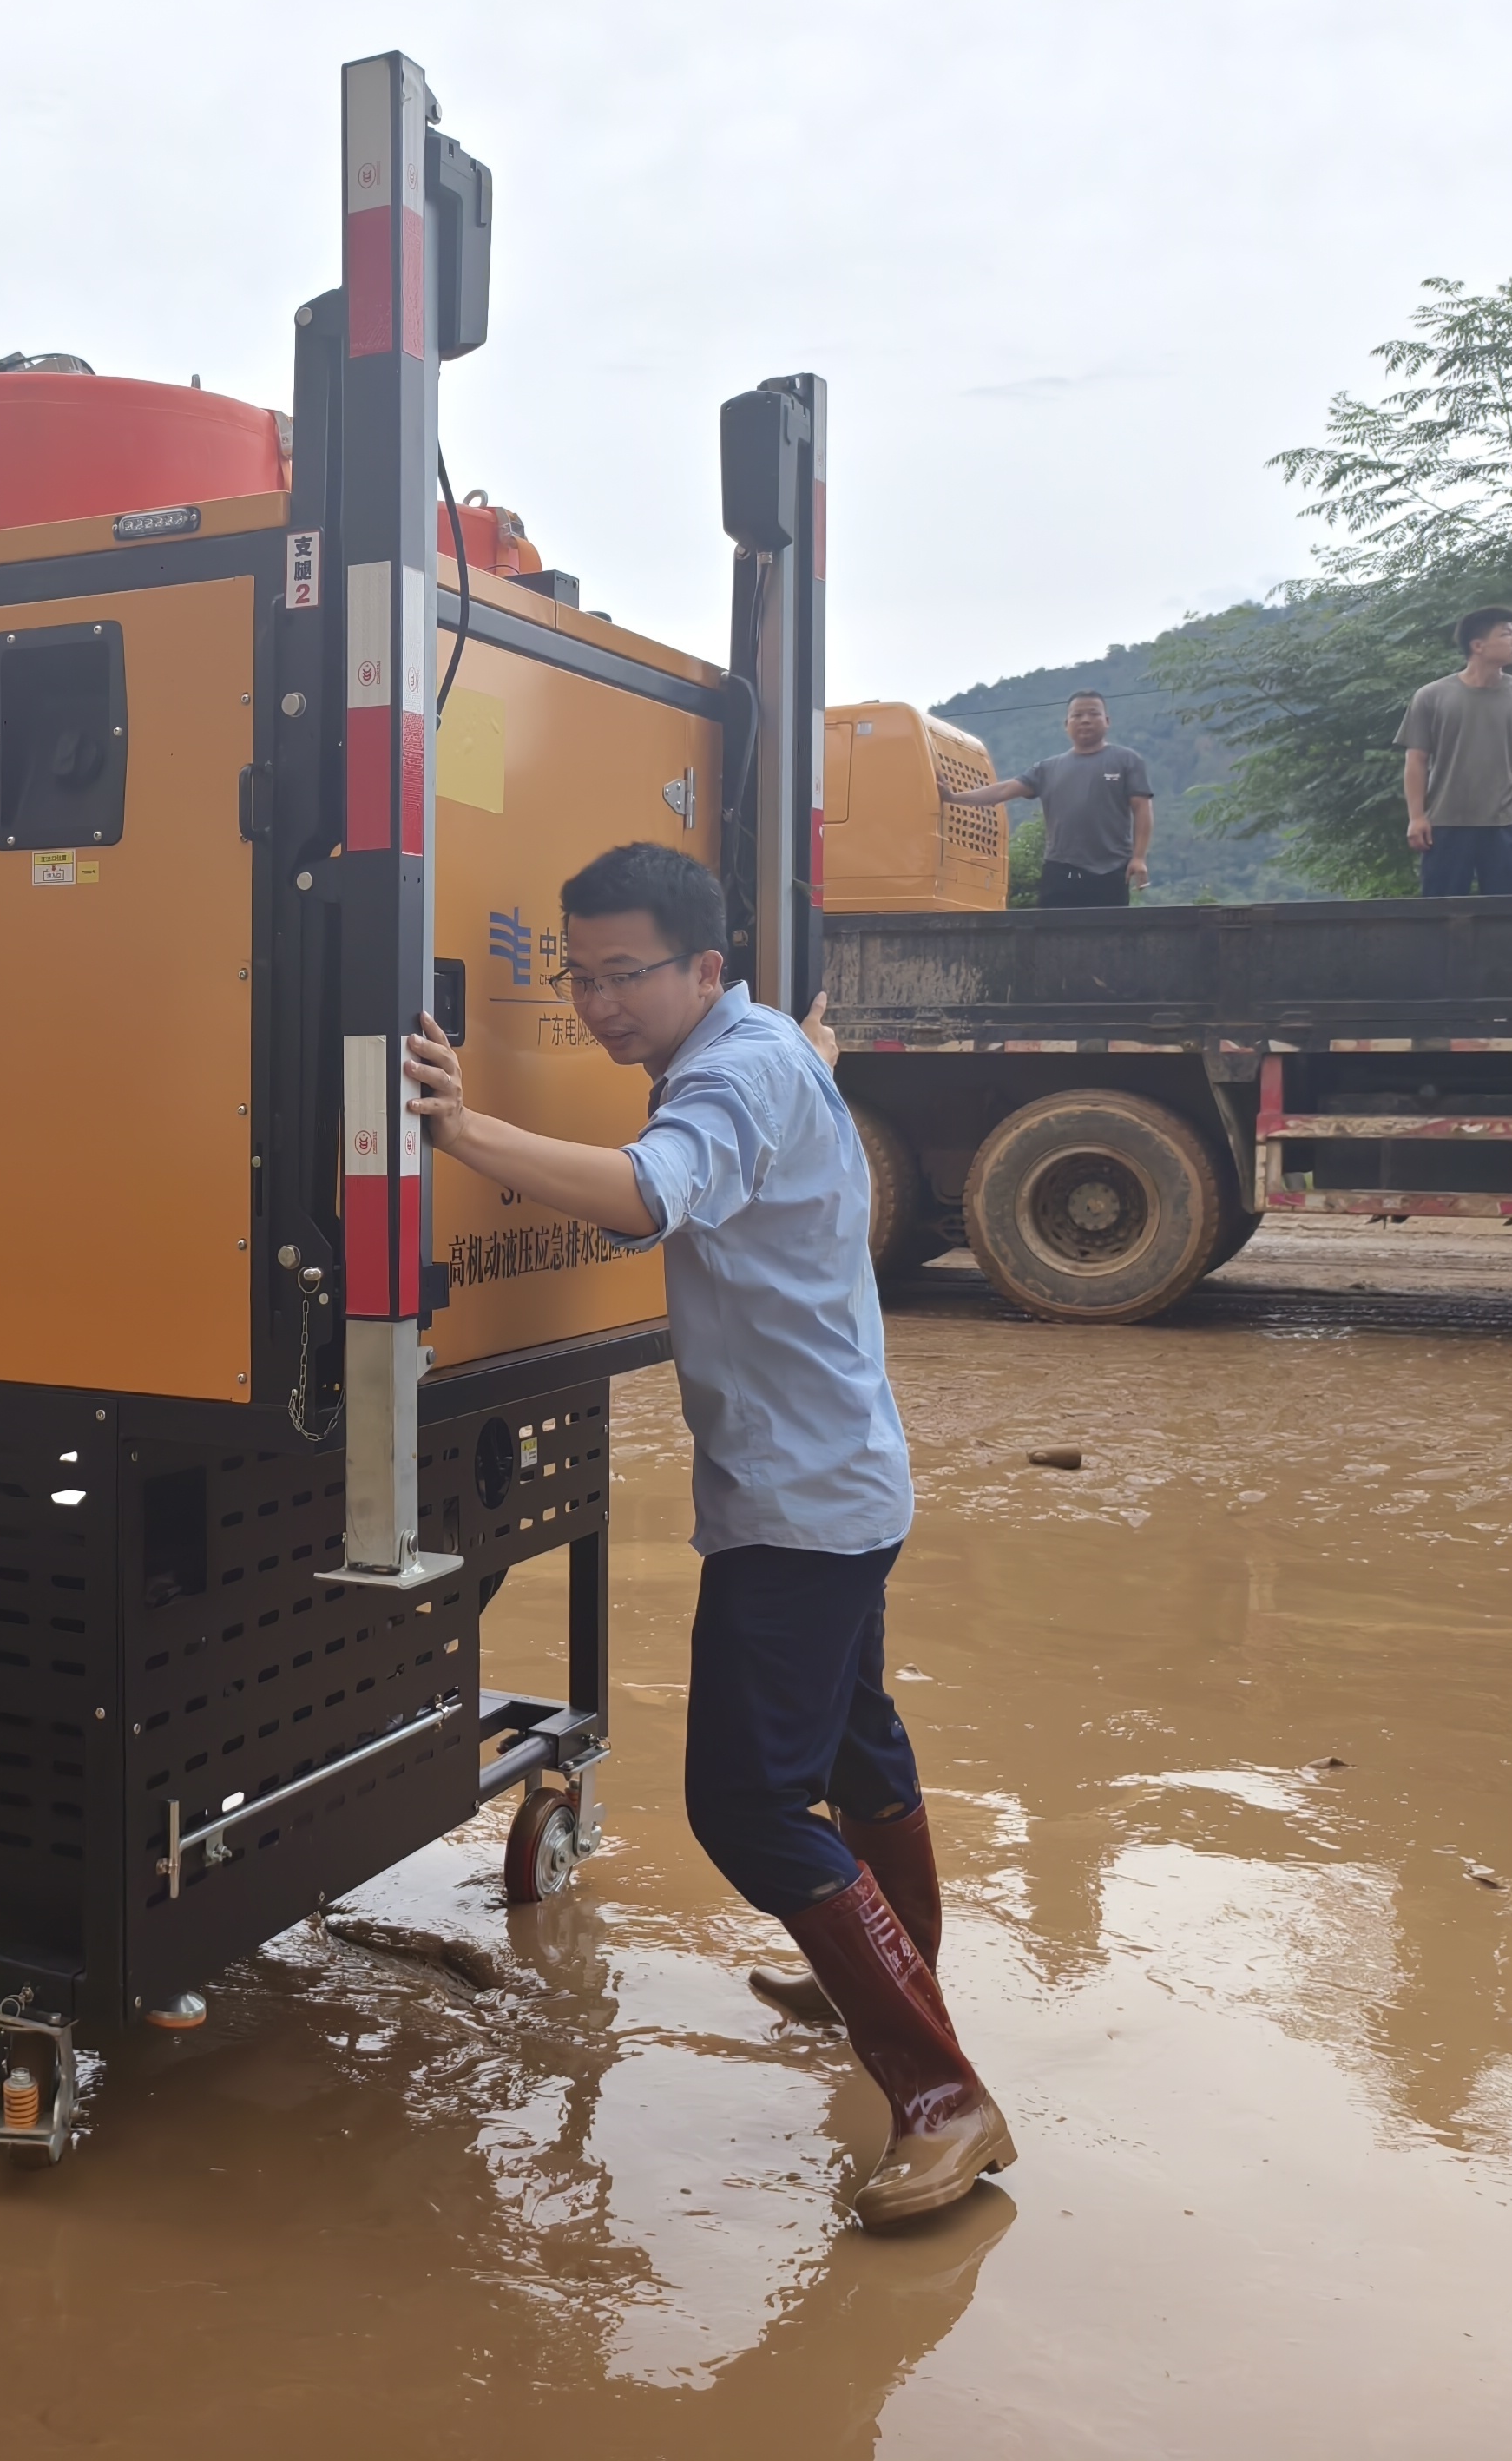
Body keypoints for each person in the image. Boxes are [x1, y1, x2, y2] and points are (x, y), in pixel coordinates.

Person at [400, 840, 1015, 2228]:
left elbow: (648, 1193)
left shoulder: (734, 1072)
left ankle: (941, 2096)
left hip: (798, 1508)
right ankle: (894, 1968)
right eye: (582, 975)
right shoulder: (759, 1050)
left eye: (628, 975)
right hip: (844, 1481)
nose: (602, 1004)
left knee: (744, 1806)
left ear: (706, 971)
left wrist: (454, 1129)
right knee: (859, 1746)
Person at [1399, 609, 1512, 898]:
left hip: (1507, 825)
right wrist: (1416, 817)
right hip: (1446, 824)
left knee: (1507, 917)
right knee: (1441, 915)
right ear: (1478, 646)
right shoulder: (1431, 696)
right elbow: (1416, 760)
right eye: (1506, 634)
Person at [941, 689, 1152, 906]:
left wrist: (1138, 858)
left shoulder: (1127, 761)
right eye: (1077, 715)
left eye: (1093, 714)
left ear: (1107, 721)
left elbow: (1142, 808)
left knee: (1107, 937)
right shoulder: (1047, 768)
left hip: (1111, 870)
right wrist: (953, 797)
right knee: (1053, 937)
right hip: (1061, 871)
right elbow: (1004, 790)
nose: (1085, 720)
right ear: (1066, 724)